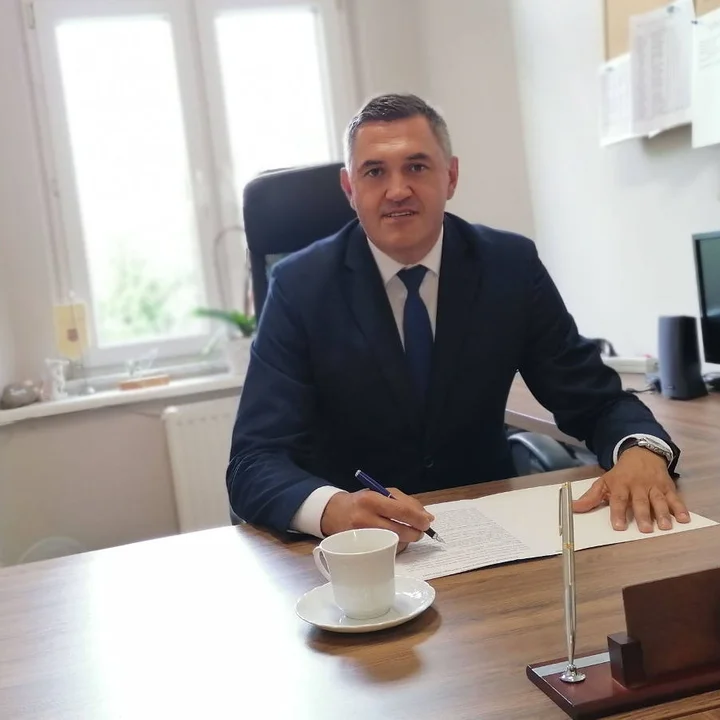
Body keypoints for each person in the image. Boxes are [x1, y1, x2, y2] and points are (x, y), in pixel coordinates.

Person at [227, 93, 689, 546]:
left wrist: (641, 449)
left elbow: (595, 401)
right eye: (375, 172)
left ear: (450, 177)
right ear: (350, 189)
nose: (397, 190)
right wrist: (332, 510)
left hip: (491, 534)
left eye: (416, 167)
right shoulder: (300, 286)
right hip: (359, 555)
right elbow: (254, 460)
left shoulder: (509, 266)